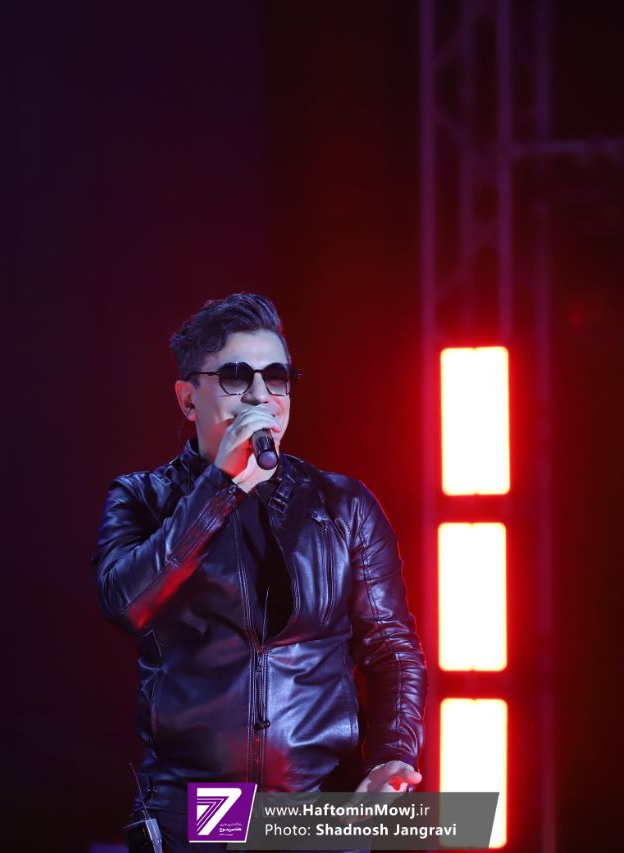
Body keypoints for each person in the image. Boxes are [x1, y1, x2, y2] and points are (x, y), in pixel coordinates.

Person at [93, 293, 427, 850]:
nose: (259, 395)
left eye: (276, 377)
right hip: (194, 810)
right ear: (187, 399)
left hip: (318, 807)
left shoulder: (343, 505)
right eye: (234, 377)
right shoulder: (143, 498)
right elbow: (127, 603)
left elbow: (391, 649)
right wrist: (219, 488)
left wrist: (391, 756)